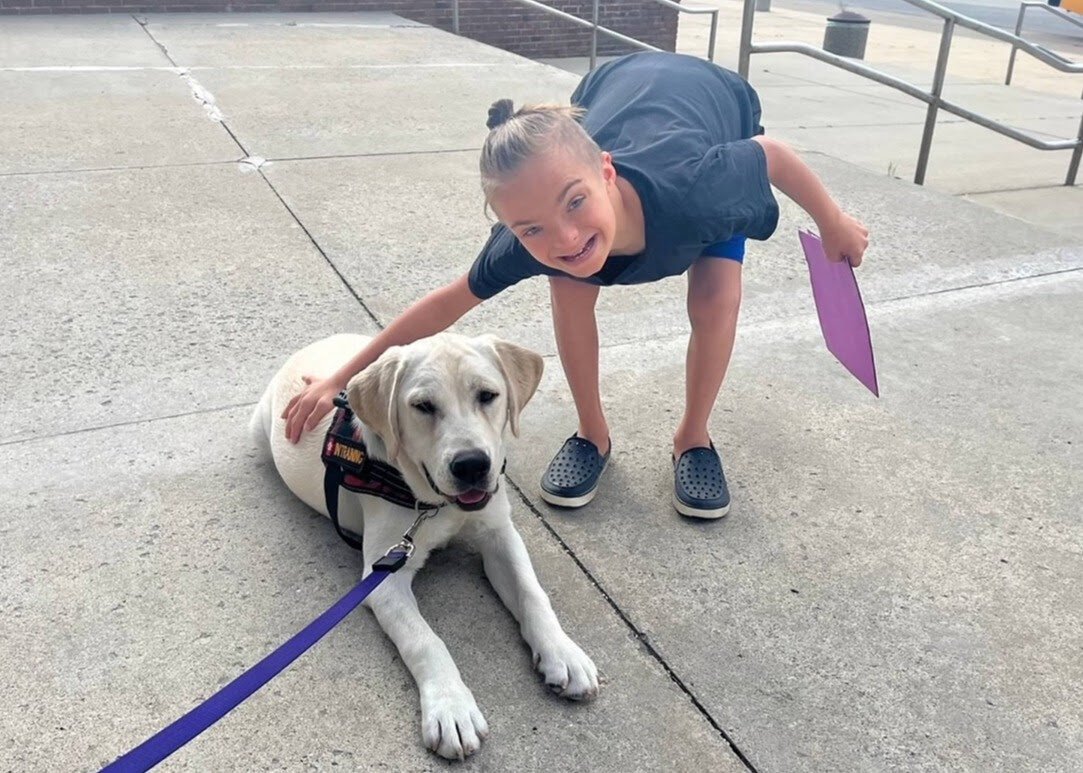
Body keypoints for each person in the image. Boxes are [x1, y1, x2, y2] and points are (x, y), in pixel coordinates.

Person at [283, 51, 868, 519]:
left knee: (716, 295)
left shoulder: (700, 192)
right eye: (531, 227)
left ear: (605, 172)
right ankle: (593, 434)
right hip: (613, 88)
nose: (562, 235)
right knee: (568, 281)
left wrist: (833, 222)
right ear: (511, 227)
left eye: (575, 202)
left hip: (709, 111)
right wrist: (340, 378)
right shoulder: (540, 238)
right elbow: (443, 306)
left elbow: (770, 155)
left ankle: (693, 437)